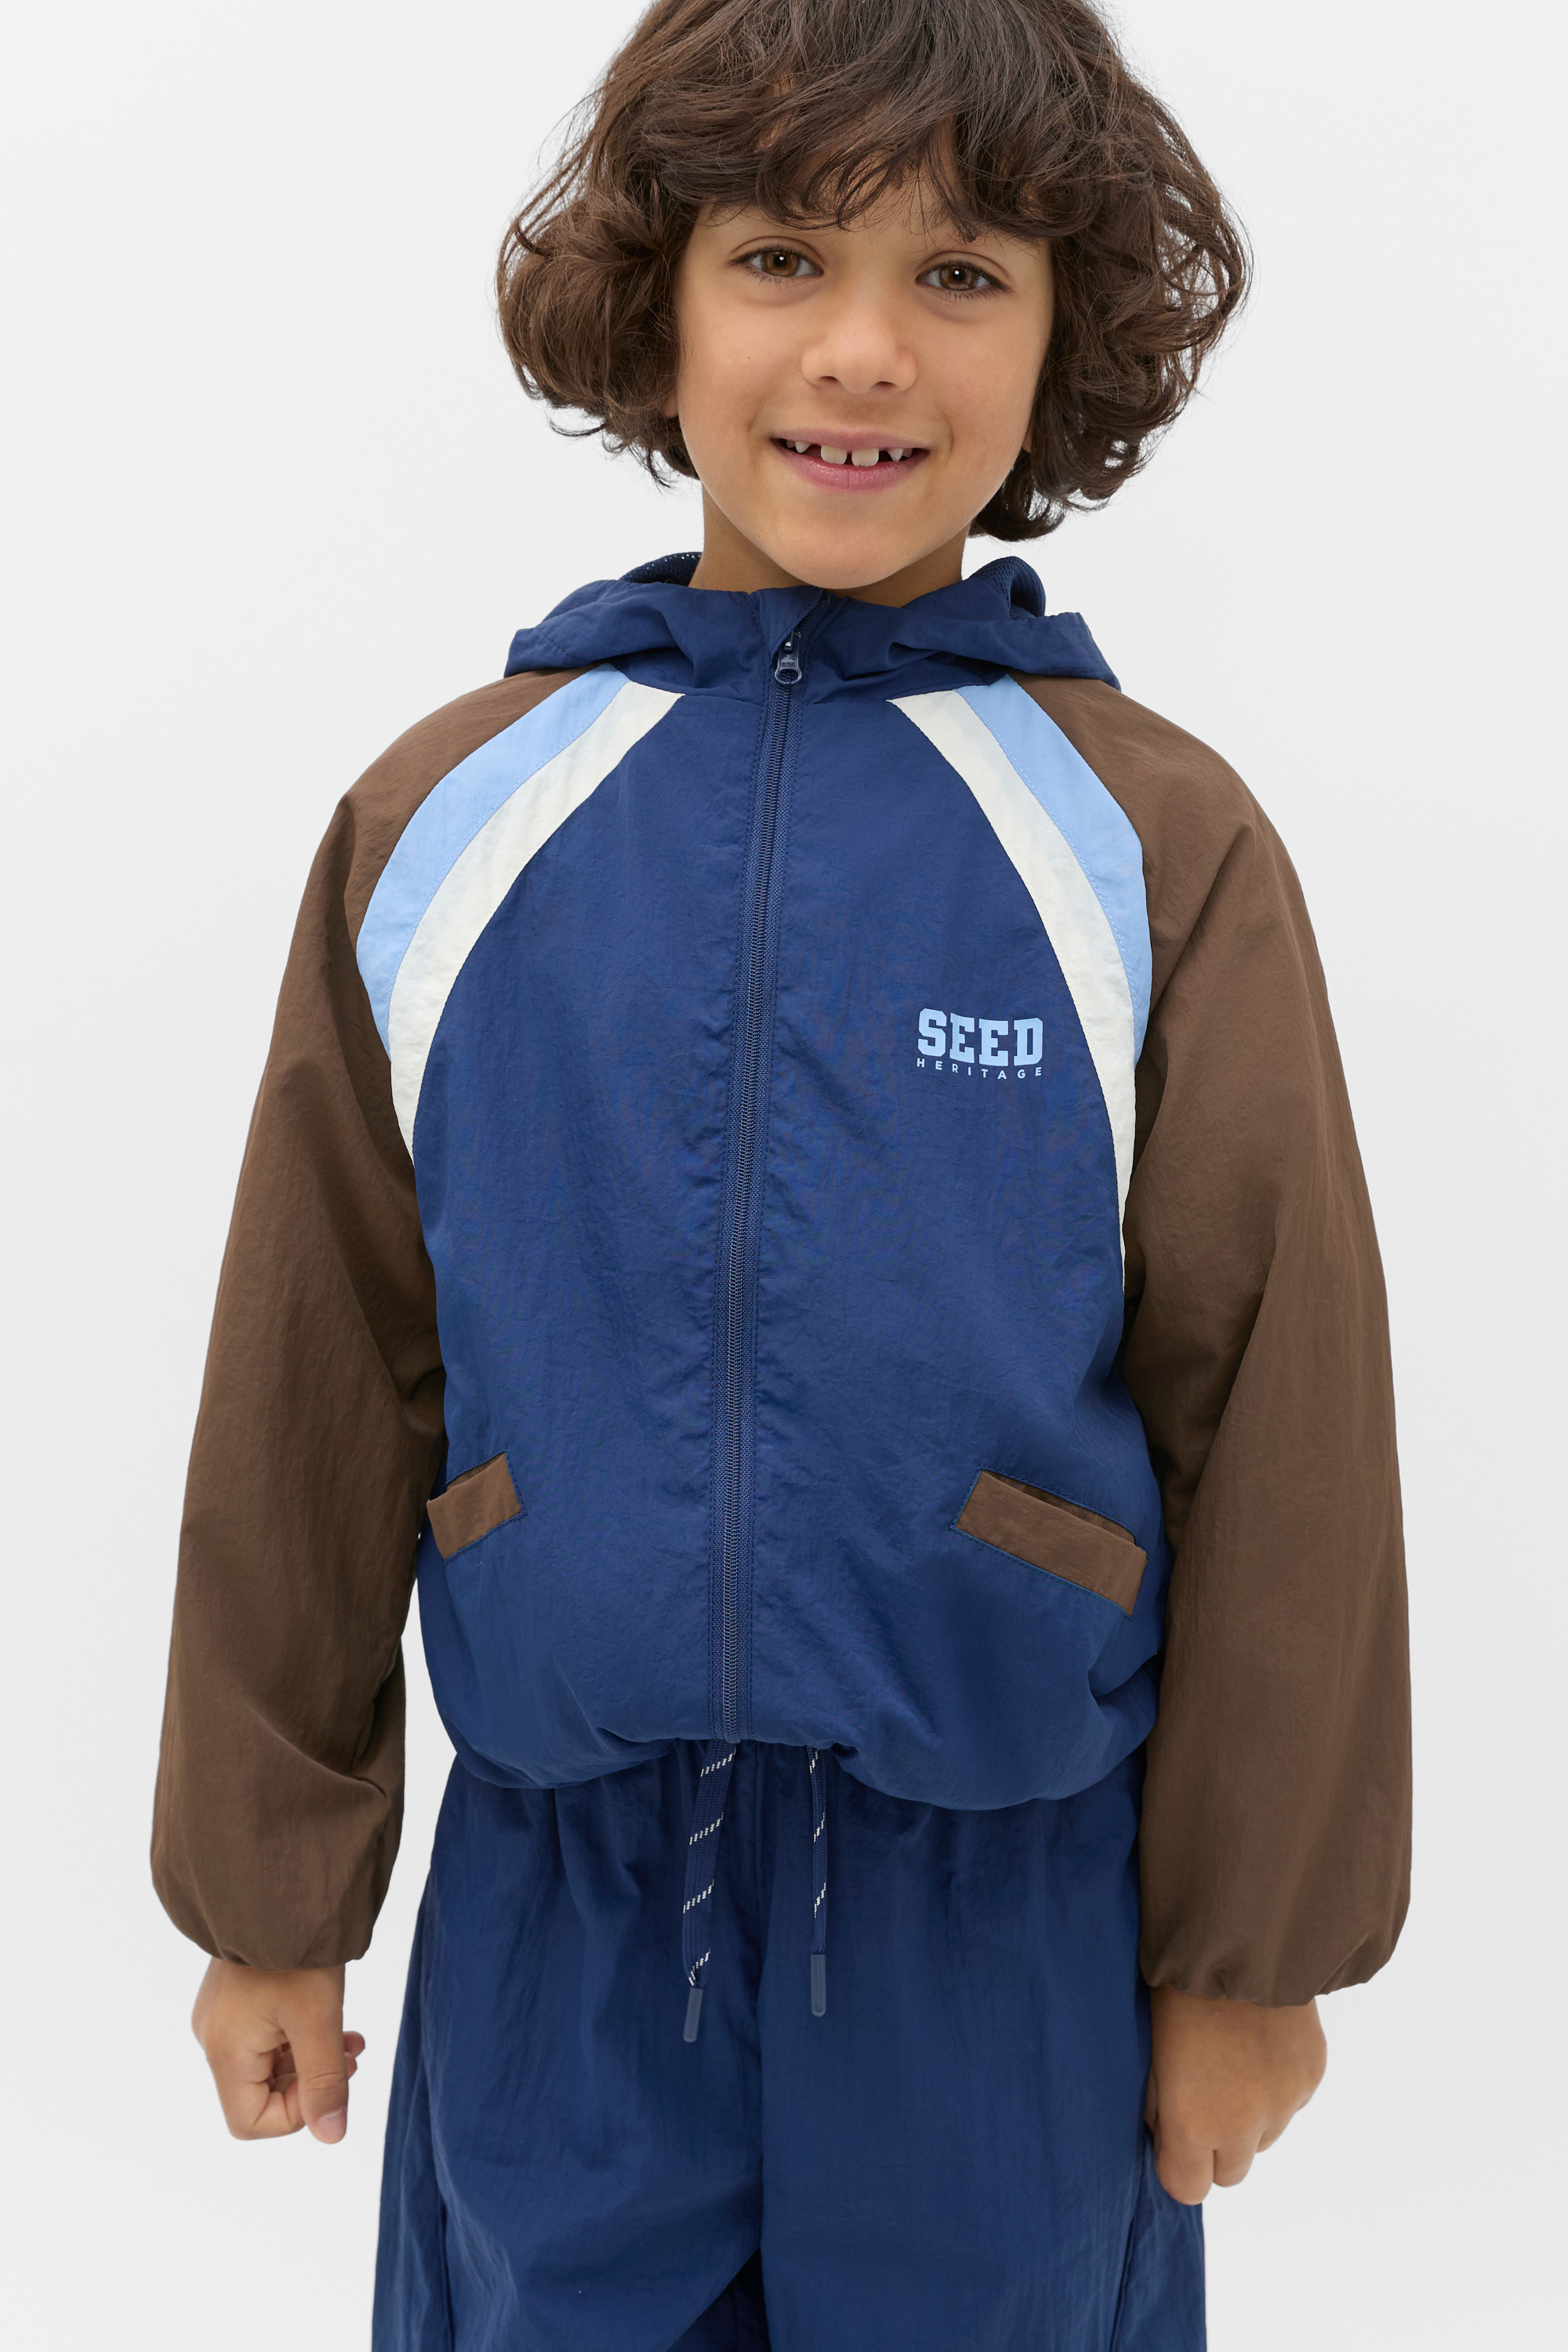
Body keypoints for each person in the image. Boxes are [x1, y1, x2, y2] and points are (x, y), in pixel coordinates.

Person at [152, 2, 1411, 2344]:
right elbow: (315, 1370)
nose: (862, 351)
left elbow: (1283, 1417)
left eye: (961, 273)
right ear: (656, 297)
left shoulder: (1155, 843)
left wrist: (1252, 1960)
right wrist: (269, 1901)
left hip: (1003, 1931)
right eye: (779, 258)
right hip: (559, 1916)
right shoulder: (450, 822)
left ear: (1065, 332)